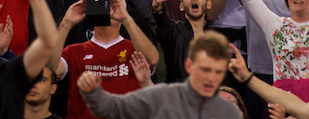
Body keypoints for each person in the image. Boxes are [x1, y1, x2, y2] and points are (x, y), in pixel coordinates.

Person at [77, 31, 242, 119]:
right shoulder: (161, 96)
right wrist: (93, 92)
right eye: (206, 70)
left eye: (218, 72)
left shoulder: (228, 112)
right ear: (189, 65)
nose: (212, 78)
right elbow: (112, 107)